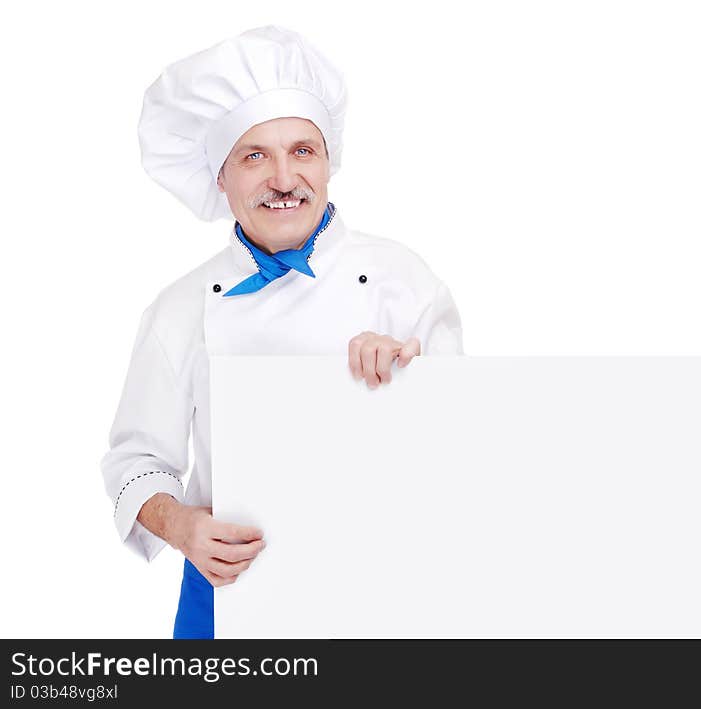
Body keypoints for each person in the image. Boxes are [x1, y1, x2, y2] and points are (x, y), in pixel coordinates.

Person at [100, 26, 464, 639]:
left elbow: (468, 447)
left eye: (301, 151)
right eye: (253, 156)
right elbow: (136, 462)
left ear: (329, 161)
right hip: (231, 594)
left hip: (383, 590)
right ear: (220, 177)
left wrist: (412, 377)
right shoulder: (180, 309)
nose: (283, 178)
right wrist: (183, 526)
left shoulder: (404, 281)